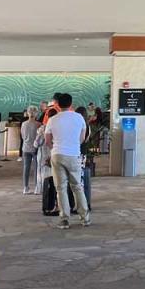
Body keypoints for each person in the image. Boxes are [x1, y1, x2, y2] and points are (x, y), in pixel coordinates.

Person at [44, 93, 90, 229]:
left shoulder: (53, 119)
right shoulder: (79, 118)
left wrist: (55, 148)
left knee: (61, 188)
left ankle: (64, 219)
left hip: (57, 155)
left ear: (57, 104)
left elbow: (47, 140)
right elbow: (82, 138)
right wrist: (73, 145)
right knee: (77, 187)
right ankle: (84, 218)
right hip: (74, 154)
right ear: (71, 104)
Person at [20, 107, 40, 194]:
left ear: (28, 113)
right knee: (37, 168)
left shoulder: (24, 124)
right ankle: (36, 187)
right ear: (36, 114)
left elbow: (23, 136)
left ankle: (25, 187)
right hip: (36, 148)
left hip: (26, 147)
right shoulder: (39, 124)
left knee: (26, 168)